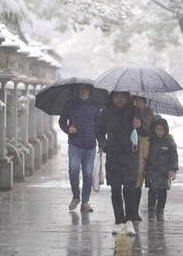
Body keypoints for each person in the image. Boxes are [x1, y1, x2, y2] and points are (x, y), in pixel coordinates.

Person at [97, 92, 147, 235]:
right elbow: (99, 132)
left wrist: (140, 124)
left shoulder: (135, 110)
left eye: (122, 97)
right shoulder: (105, 112)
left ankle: (130, 220)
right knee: (116, 189)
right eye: (116, 97)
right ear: (112, 97)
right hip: (113, 156)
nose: (119, 100)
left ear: (127, 97)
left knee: (130, 189)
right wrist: (104, 145)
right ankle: (119, 221)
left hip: (131, 156)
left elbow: (146, 131)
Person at [59, 84, 100, 213]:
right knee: (74, 169)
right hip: (75, 144)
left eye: (86, 89)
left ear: (89, 90)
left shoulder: (95, 106)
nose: (83, 91)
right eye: (81, 89)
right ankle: (76, 196)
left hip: (90, 145)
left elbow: (99, 125)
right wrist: (68, 129)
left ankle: (85, 202)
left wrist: (102, 143)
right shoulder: (70, 104)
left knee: (88, 174)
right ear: (77, 90)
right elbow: (62, 121)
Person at [145, 117, 179, 222]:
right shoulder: (150, 141)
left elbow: (174, 156)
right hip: (152, 171)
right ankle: (151, 212)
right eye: (157, 129)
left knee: (162, 193)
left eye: (161, 130)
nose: (159, 132)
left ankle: (160, 211)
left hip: (164, 173)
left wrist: (173, 170)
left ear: (165, 130)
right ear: (154, 130)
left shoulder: (169, 142)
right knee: (152, 192)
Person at [132, 96, 154, 222]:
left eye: (140, 101)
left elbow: (148, 131)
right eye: (136, 100)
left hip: (142, 148)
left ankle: (135, 210)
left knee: (138, 179)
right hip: (129, 147)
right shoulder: (129, 111)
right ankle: (130, 209)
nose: (138, 103)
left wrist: (140, 124)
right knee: (130, 180)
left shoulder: (148, 113)